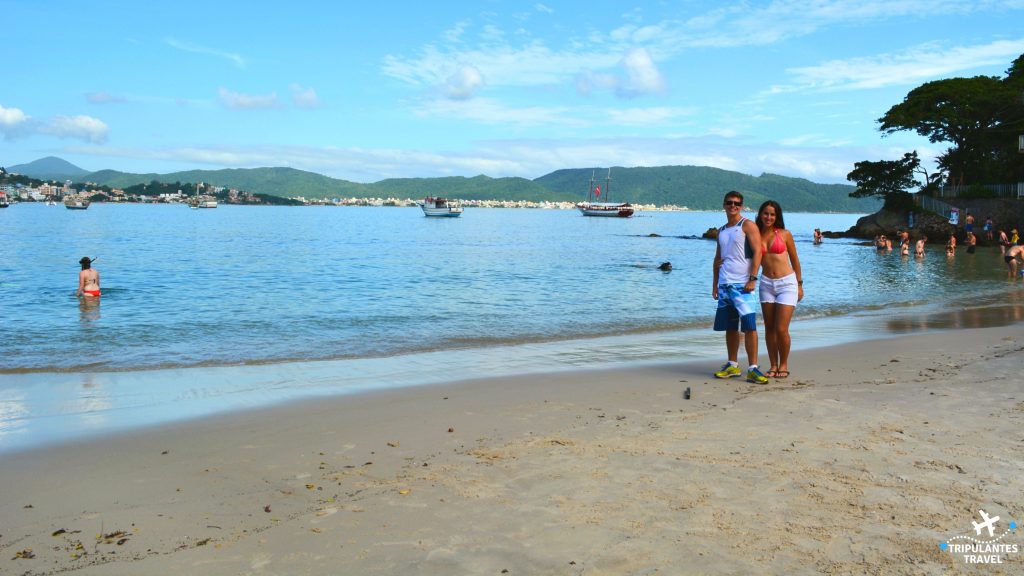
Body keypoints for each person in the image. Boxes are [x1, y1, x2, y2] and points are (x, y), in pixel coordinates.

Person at [712, 191, 767, 384]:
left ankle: (753, 368)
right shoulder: (721, 230)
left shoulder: (747, 225)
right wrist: (715, 284)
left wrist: (753, 278)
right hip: (725, 284)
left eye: (737, 203)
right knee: (730, 327)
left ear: (741, 206)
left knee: (749, 326)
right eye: (729, 203)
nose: (733, 206)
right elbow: (718, 258)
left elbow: (759, 252)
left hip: (743, 285)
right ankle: (732, 365)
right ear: (724, 205)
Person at [755, 201, 803, 379]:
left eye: (772, 214)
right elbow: (746, 259)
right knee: (769, 328)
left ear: (777, 217)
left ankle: (783, 364)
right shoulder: (755, 235)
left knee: (781, 328)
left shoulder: (784, 234)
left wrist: (799, 284)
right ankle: (773, 365)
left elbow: (795, 260)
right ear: (760, 214)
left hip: (787, 284)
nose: (768, 217)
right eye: (766, 214)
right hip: (766, 283)